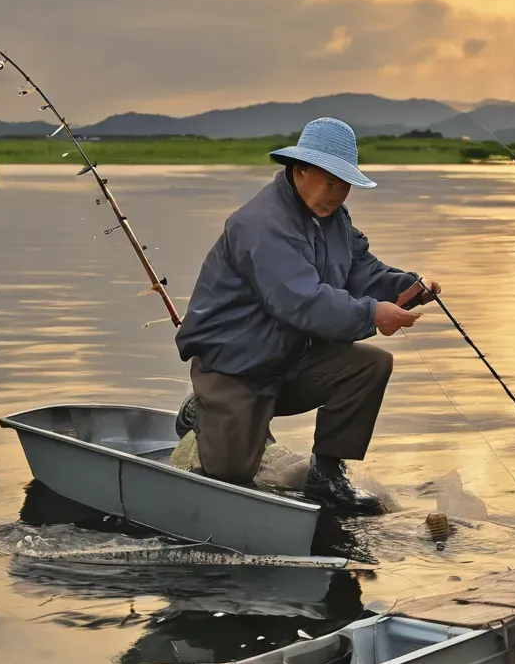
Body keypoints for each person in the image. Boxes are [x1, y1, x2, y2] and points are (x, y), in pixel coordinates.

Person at [174, 117, 441, 514]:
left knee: (370, 365)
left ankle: (327, 476)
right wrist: (373, 315)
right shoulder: (260, 224)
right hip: (235, 369)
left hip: (289, 360)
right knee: (231, 482)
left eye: (345, 183)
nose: (338, 193)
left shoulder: (335, 219)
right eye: (330, 180)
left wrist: (407, 289)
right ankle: (201, 408)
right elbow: (299, 301)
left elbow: (361, 271)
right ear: (299, 170)